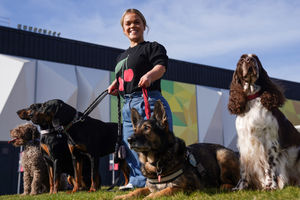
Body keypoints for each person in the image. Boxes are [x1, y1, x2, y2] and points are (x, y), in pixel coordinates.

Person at [107, 8, 173, 190]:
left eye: (136, 22)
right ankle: (137, 182)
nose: (132, 26)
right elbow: (126, 73)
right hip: (127, 105)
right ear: (123, 29)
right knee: (132, 145)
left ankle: (166, 179)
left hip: (148, 100)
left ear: (144, 26)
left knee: (157, 143)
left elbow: (161, 66)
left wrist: (151, 75)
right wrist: (115, 83)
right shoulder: (121, 56)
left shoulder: (153, 47)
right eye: (128, 23)